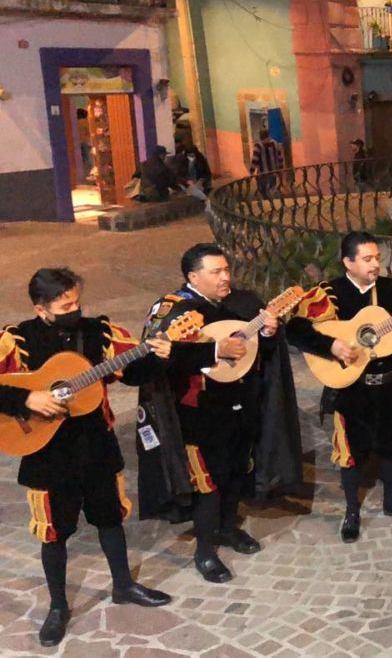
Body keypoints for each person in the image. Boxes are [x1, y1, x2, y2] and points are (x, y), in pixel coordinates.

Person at [0, 269, 173, 647]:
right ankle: (58, 606)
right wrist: (25, 399)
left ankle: (124, 585)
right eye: (64, 305)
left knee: (109, 518)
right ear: (40, 308)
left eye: (76, 301)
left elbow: (130, 372)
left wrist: (158, 357)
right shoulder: (17, 340)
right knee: (55, 533)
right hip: (46, 453)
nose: (74, 309)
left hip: (96, 446)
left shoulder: (98, 332)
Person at [139, 244, 291, 583]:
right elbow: (157, 357)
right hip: (197, 413)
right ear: (193, 276)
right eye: (216, 272)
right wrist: (213, 350)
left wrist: (267, 333)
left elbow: (256, 353)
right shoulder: (171, 310)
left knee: (237, 471)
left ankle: (228, 528)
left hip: (240, 403)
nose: (226, 277)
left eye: (226, 270)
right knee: (208, 482)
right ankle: (205, 551)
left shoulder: (241, 303)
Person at [287, 232, 392, 542]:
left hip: (391, 385)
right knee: (352, 452)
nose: (375, 264)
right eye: (367, 259)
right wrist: (331, 345)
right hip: (352, 388)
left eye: (377, 257)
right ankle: (352, 511)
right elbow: (295, 329)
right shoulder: (330, 294)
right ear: (348, 262)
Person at [250, 128, 285, 196]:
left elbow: (255, 160)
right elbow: (280, 157)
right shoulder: (274, 143)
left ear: (260, 135)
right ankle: (272, 203)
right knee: (272, 189)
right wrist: (280, 169)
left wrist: (251, 172)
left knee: (263, 191)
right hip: (273, 172)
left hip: (262, 174)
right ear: (268, 134)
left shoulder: (258, 145)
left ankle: (267, 201)